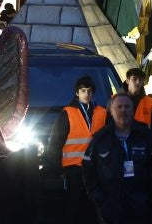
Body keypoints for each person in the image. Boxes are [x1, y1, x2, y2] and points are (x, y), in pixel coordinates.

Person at [82, 94, 152, 224]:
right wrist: (101, 202)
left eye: (127, 106)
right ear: (111, 111)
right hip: (111, 214)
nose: (123, 110)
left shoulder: (146, 137)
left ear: (133, 109)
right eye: (119, 107)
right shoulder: (100, 139)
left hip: (143, 212)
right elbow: (88, 173)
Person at [47, 76, 108, 223]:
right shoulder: (67, 113)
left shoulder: (102, 112)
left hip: (94, 167)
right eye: (83, 91)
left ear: (93, 93)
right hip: (73, 166)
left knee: (93, 204)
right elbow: (56, 142)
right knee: (73, 204)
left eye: (89, 91)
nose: (86, 94)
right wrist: (56, 168)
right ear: (77, 93)